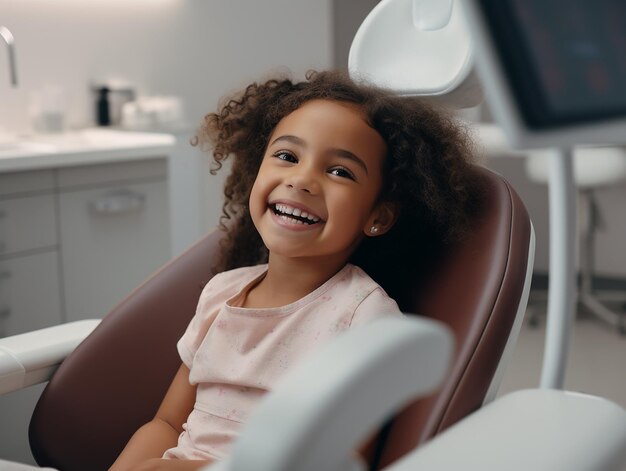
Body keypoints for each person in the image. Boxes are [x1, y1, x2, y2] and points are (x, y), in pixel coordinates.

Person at [109, 70, 482, 470]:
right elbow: (165, 423)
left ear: (378, 216)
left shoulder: (364, 318)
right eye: (287, 157)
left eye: (340, 171)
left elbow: (340, 461)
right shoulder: (220, 294)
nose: (302, 180)